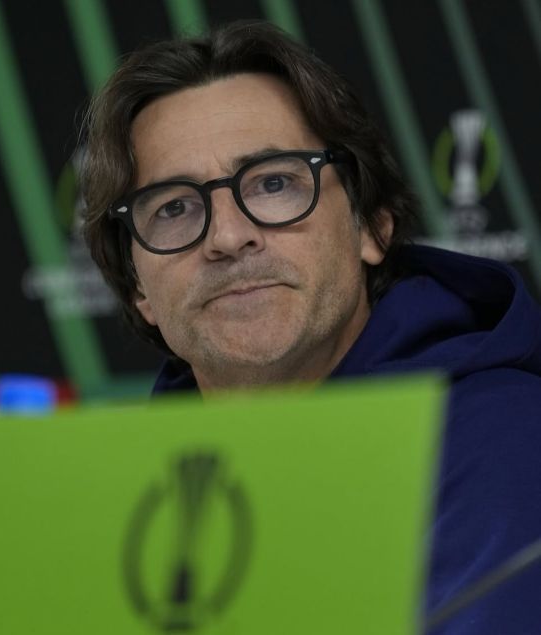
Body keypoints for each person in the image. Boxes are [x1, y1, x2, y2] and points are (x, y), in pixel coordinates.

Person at [80, 20, 541, 634]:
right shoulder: (110, 495)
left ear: (371, 226)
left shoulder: (508, 444)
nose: (227, 236)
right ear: (139, 288)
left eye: (274, 183)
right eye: (174, 208)